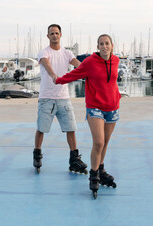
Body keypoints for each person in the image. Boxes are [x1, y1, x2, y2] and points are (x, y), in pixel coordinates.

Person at [54, 34, 120, 198]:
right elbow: (75, 74)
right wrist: (58, 80)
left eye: (107, 43)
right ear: (97, 47)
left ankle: (101, 169)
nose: (104, 46)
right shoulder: (90, 62)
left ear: (112, 45)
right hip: (95, 106)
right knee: (98, 142)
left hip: (112, 106)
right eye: (101, 44)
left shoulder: (116, 61)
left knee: (105, 142)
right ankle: (94, 174)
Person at [33, 24, 88, 175]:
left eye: (57, 33)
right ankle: (37, 154)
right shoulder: (44, 52)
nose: (54, 36)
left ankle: (74, 159)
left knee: (71, 128)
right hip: (47, 98)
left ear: (61, 35)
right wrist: (53, 76)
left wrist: (88, 70)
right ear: (48, 36)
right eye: (51, 33)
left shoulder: (67, 53)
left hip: (63, 97)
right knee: (41, 128)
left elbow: (78, 65)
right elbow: (46, 64)